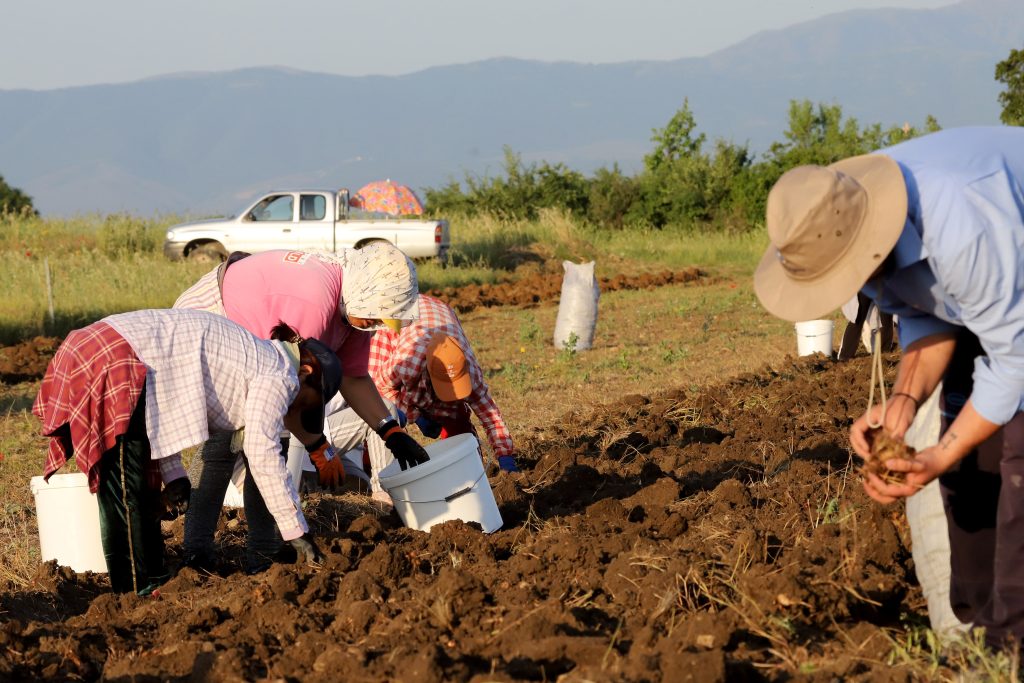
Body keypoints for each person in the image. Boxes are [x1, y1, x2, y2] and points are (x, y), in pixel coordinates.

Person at [753, 126, 1024, 649]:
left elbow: (1015, 366)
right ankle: (978, 628)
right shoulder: (846, 218)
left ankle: (1013, 645)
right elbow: (927, 310)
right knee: (965, 429)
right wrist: (902, 402)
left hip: (1009, 258)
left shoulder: (964, 229)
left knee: (1018, 455)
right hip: (993, 290)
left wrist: (939, 455)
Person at [32, 310, 337, 593]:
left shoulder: (256, 355)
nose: (298, 410)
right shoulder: (278, 374)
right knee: (125, 490)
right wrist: (296, 530)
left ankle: (153, 579)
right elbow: (262, 453)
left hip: (106, 347)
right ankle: (132, 594)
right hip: (112, 354)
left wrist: (174, 475)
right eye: (308, 401)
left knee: (140, 488)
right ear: (307, 370)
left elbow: (168, 393)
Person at [174, 244, 429, 572]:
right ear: (363, 294)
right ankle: (198, 551)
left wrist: (389, 430)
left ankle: (262, 553)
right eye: (376, 315)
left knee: (267, 442)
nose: (377, 323)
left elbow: (354, 378)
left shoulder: (354, 309)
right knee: (228, 441)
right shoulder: (316, 304)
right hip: (211, 317)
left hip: (258, 338)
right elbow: (294, 388)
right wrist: (318, 445)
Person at [369, 294, 520, 484]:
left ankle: (467, 469)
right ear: (428, 376)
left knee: (455, 417)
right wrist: (416, 417)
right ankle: (374, 468)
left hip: (440, 313)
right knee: (382, 410)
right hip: (399, 316)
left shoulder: (469, 370)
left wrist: (506, 457)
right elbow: (381, 386)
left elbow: (490, 414)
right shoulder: (406, 363)